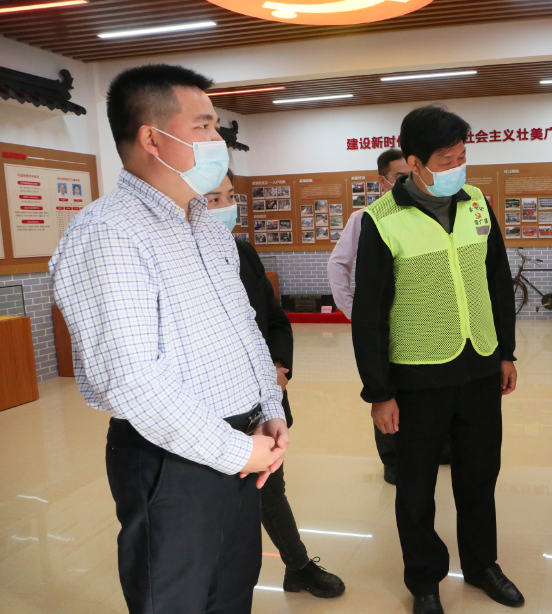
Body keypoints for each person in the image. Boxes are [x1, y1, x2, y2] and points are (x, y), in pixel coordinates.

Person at [49, 64, 290, 614]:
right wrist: (237, 452)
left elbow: (245, 329)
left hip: (242, 442)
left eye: (215, 127)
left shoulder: (207, 226)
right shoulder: (108, 233)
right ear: (152, 139)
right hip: (169, 459)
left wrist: (269, 409)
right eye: (203, 126)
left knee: (233, 590)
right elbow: (132, 380)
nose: (217, 140)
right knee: (176, 600)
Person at [352, 105, 522, 614]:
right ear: (414, 163)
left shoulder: (477, 204)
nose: (458, 167)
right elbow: (369, 313)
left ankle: (482, 564)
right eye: (447, 160)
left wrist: (506, 352)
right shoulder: (381, 220)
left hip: (480, 367)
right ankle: (425, 579)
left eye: (462, 156)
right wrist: (378, 391)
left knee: (480, 475)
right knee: (416, 487)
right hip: (417, 377)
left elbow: (497, 281)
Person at [205, 169, 346, 598]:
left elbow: (275, 319)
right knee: (213, 503)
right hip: (207, 413)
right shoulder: (172, 264)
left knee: (269, 489)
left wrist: (279, 366)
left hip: (261, 403)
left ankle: (297, 565)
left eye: (230, 197)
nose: (226, 208)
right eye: (212, 199)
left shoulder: (243, 252)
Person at [328, 148, 411, 486]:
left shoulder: (425, 213)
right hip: (382, 323)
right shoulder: (366, 217)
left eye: (413, 175)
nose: (408, 182)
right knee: (384, 389)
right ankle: (392, 460)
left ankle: (440, 448)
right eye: (400, 177)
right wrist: (355, 311)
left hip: (419, 321)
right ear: (383, 181)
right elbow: (338, 264)